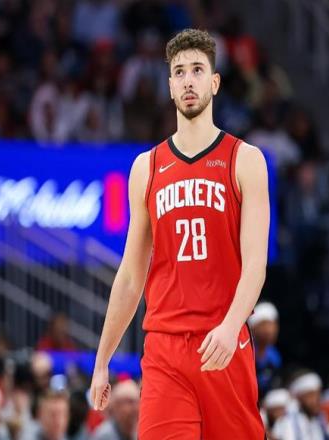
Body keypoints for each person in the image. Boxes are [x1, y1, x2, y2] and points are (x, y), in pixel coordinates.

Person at [89, 28, 270, 439]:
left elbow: (255, 266)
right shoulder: (146, 167)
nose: (189, 80)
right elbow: (130, 276)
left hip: (223, 341)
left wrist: (231, 326)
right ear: (170, 86)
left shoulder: (245, 160)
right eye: (180, 72)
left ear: (215, 82)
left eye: (198, 70)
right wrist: (102, 361)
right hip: (165, 348)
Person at [272, 372, 329, 440]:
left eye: (318, 394)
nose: (316, 399)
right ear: (299, 398)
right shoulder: (287, 422)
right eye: (311, 395)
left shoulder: (318, 420)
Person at [248, 302, 282, 399]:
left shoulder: (274, 356)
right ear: (253, 328)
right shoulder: (246, 353)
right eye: (263, 325)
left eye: (272, 324)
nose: (269, 330)